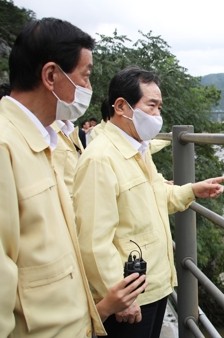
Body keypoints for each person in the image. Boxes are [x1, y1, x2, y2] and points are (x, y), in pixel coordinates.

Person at [0, 18, 146, 337]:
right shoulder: (6, 147)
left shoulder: (44, 142)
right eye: (85, 74)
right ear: (52, 75)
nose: (88, 87)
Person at [73, 66, 224, 338]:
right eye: (152, 106)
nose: (158, 115)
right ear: (122, 106)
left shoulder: (139, 149)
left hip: (155, 284)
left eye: (160, 107)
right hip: (132, 295)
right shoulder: (100, 159)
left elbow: (156, 197)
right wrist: (120, 296)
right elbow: (92, 241)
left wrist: (192, 190)